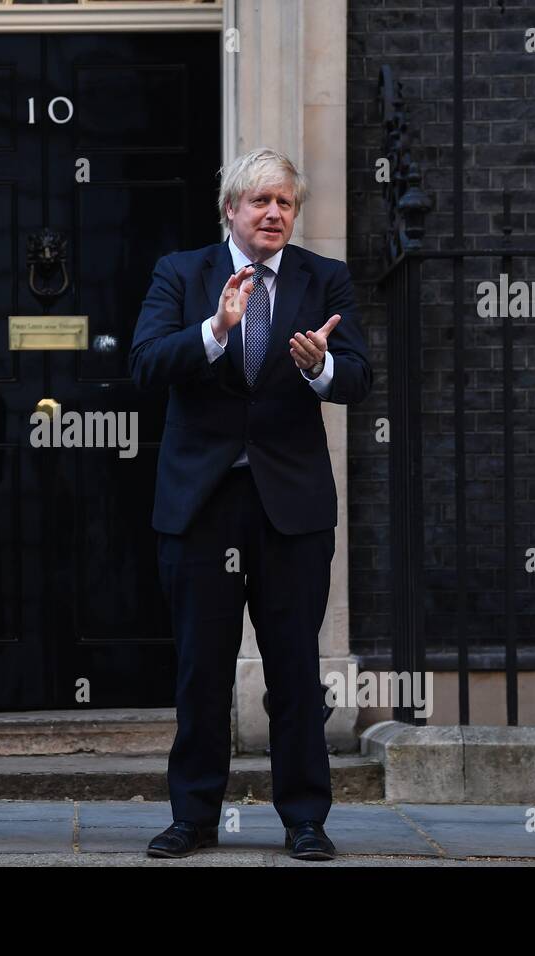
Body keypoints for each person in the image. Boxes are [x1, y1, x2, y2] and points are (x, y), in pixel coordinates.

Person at [129, 146, 372, 860]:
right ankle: (194, 817)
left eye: (285, 203)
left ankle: (304, 819)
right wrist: (215, 331)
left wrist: (320, 366)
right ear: (231, 208)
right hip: (201, 505)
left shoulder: (325, 279)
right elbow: (145, 363)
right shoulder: (183, 273)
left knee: (295, 667)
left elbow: (358, 377)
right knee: (201, 668)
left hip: (290, 508)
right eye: (260, 201)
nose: (273, 213)